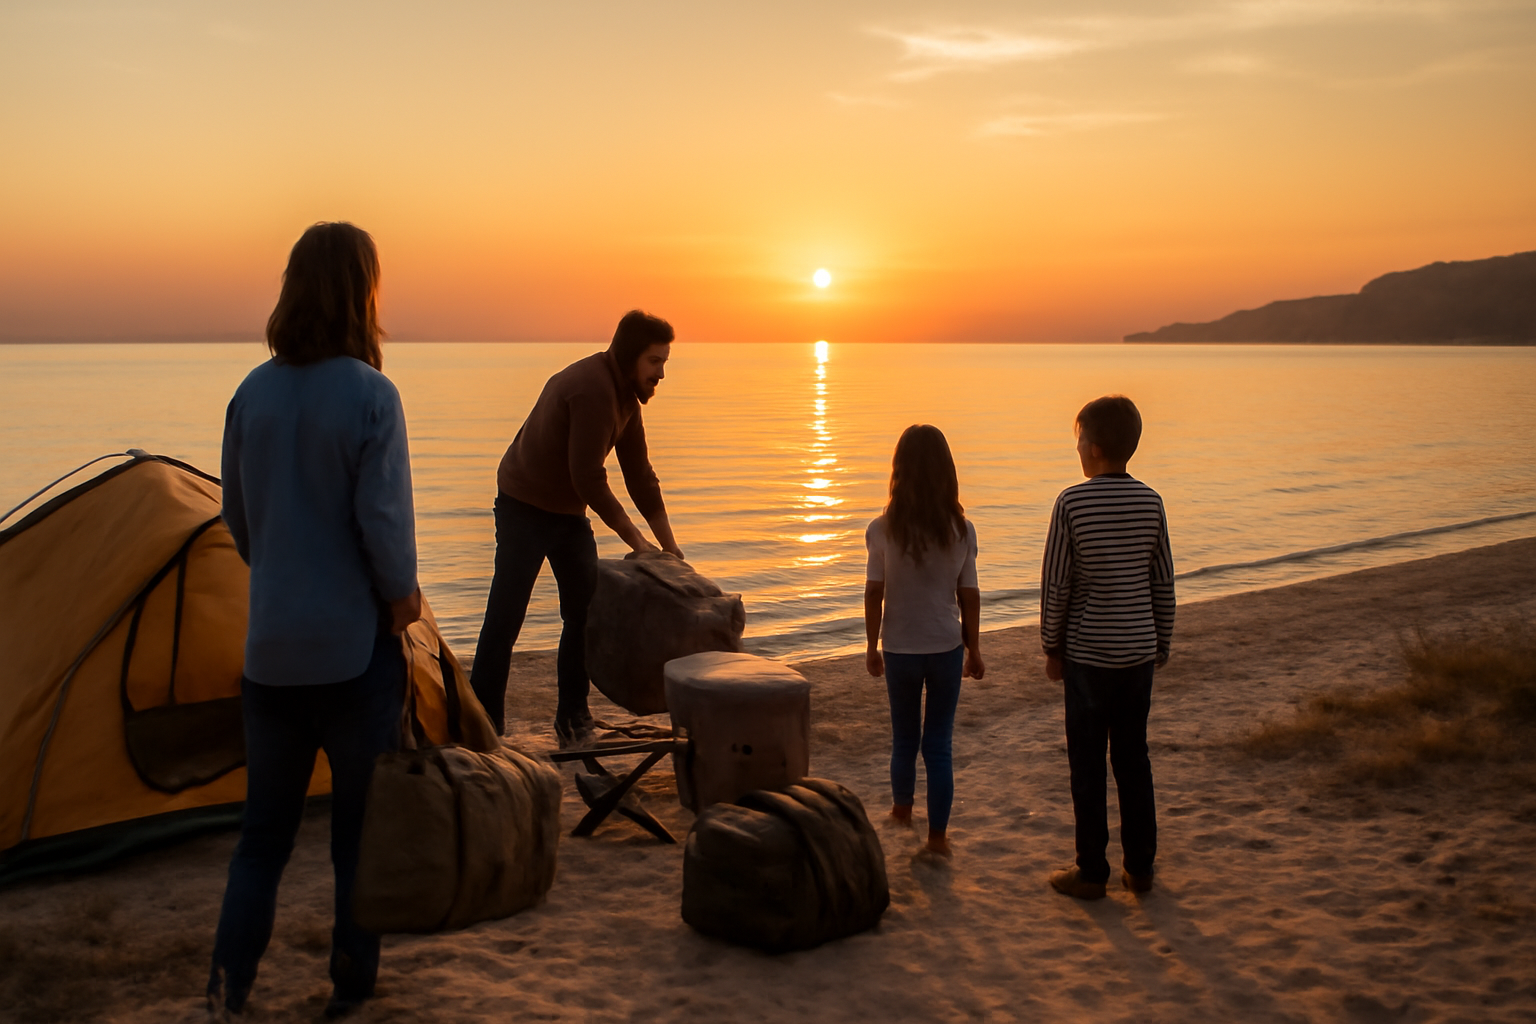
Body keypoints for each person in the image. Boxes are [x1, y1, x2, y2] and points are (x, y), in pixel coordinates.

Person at [209, 222, 421, 1020]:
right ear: (362, 293)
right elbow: (387, 535)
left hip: (271, 655)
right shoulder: (372, 396)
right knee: (355, 840)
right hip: (351, 654)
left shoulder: (249, 395)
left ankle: (229, 988)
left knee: (261, 839)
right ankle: (349, 987)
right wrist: (402, 605)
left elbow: (240, 524)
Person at [470, 310, 683, 746]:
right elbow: (587, 477)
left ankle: (573, 717)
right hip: (523, 505)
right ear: (630, 357)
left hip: (566, 512)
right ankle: (483, 723)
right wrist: (638, 542)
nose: (661, 373)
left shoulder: (626, 396)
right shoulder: (592, 389)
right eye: (655, 362)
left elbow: (640, 474)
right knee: (506, 617)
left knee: (582, 615)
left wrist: (670, 548)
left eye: (664, 362)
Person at [1040, 394, 1175, 900]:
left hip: (1089, 655)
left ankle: (1092, 870)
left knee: (1088, 764)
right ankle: (1140, 869)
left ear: (1092, 448)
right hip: (1138, 651)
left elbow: (1058, 583)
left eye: (1077, 438)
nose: (1075, 447)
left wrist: (1051, 645)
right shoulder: (1152, 501)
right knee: (1134, 758)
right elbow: (1162, 580)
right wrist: (1161, 639)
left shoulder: (1072, 502)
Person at [864, 424, 985, 859]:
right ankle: (937, 838)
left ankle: (901, 810)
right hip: (946, 648)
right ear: (947, 473)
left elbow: (874, 592)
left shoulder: (881, 529)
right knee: (938, 743)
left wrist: (870, 645)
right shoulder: (962, 530)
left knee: (903, 738)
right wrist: (974, 649)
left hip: (900, 648)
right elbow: (968, 594)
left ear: (899, 471)